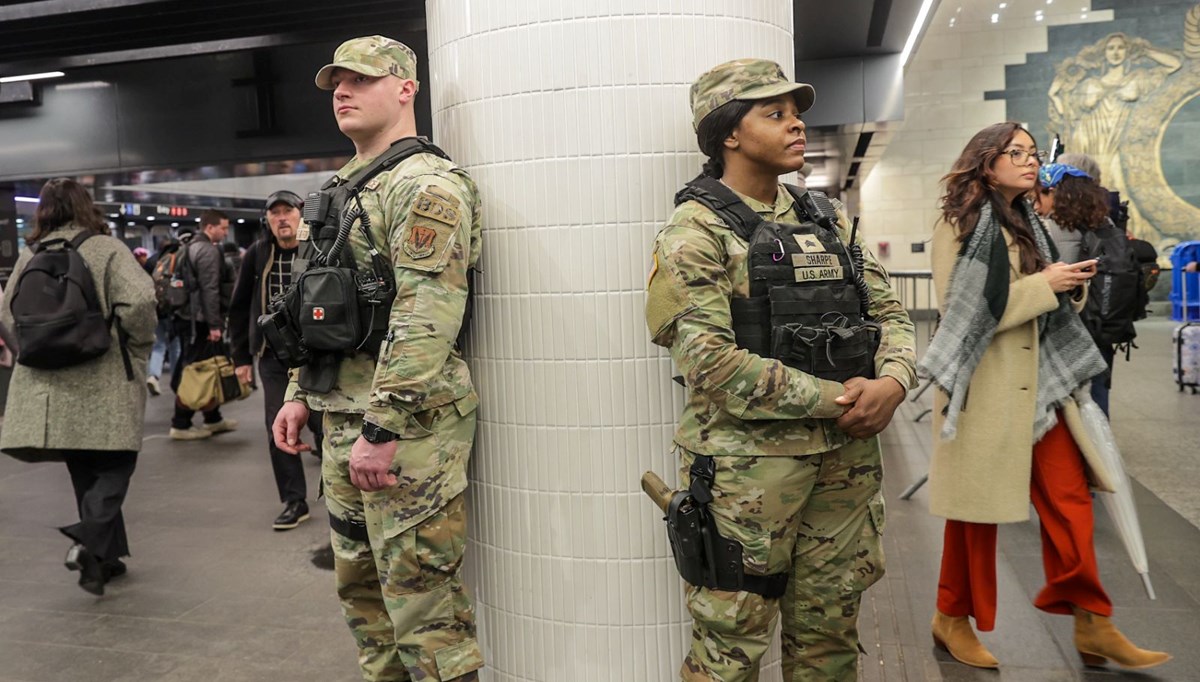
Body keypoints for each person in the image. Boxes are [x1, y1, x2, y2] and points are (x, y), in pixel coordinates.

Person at [644, 58, 917, 681]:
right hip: (750, 476)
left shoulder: (828, 219)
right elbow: (709, 362)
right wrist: (841, 400)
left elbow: (891, 314)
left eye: (798, 113)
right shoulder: (696, 231)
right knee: (728, 651)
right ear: (729, 133)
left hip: (844, 467)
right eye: (776, 114)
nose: (797, 125)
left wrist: (894, 382)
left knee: (829, 640)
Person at [920, 122, 1170, 671]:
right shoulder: (957, 223)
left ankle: (1093, 622)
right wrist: (1045, 285)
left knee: (1070, 500)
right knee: (973, 517)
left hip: (1045, 386)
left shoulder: (1031, 219)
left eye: (1033, 154)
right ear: (986, 161)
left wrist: (1068, 285)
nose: (1031, 162)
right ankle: (951, 618)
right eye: (1017, 153)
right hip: (983, 390)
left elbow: (1046, 301)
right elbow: (961, 315)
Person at [271, 36, 484, 681]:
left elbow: (426, 315)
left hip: (404, 430)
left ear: (405, 89)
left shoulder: (425, 186)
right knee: (362, 600)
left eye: (360, 80)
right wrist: (297, 391)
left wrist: (382, 427)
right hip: (342, 416)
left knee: (425, 613)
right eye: (336, 81)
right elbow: (312, 307)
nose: (341, 91)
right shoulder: (337, 190)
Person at [0, 178, 157, 595]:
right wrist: (137, 346)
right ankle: (89, 541)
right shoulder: (104, 248)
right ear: (85, 206)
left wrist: (35, 350)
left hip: (52, 386)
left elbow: (8, 313)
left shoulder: (29, 255)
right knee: (116, 464)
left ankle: (105, 560)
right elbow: (140, 301)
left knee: (85, 471)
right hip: (104, 377)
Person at [229, 190, 324, 531]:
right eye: (275, 213)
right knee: (278, 427)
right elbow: (239, 308)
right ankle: (293, 500)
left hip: (316, 352)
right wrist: (240, 357)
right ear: (267, 221)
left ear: (299, 215)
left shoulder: (317, 247)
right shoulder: (258, 254)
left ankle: (339, 486)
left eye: (287, 211)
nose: (282, 218)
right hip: (272, 356)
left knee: (322, 423)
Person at [169, 209, 238, 440]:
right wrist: (214, 325)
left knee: (205, 367)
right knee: (196, 372)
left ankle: (213, 418)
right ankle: (181, 422)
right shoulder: (207, 251)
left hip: (188, 317)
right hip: (199, 321)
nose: (225, 233)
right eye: (223, 228)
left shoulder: (189, 247)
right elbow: (210, 290)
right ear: (210, 227)